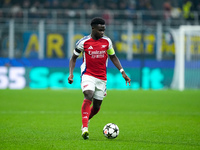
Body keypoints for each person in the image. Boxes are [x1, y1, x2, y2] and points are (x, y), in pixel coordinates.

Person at [68, 17, 131, 140]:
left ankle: (86, 120)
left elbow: (113, 56)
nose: (102, 32)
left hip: (102, 78)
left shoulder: (107, 41)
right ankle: (85, 128)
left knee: (96, 107)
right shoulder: (83, 42)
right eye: (100, 30)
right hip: (88, 74)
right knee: (88, 94)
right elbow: (73, 58)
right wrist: (71, 74)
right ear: (93, 28)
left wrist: (122, 72)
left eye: (104, 30)